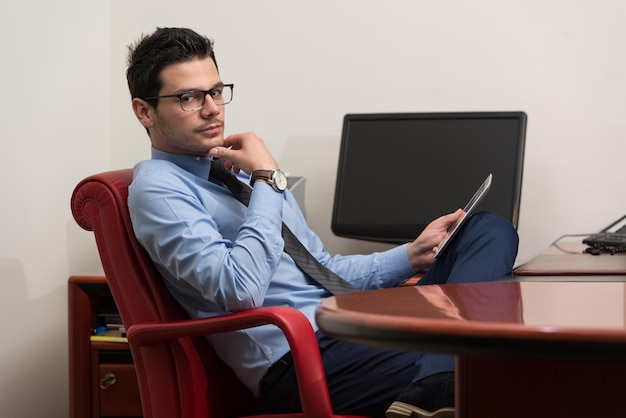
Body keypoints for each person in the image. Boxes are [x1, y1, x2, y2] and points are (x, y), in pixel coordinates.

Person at [125, 27, 519, 418]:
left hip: (348, 327)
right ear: (144, 111)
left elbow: (322, 268)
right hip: (301, 361)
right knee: (496, 363)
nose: (212, 108)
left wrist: (412, 256)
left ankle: (436, 384)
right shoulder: (159, 189)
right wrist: (266, 179)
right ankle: (441, 380)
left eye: (215, 91)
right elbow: (239, 290)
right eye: (189, 98)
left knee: (487, 230)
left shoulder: (238, 169)